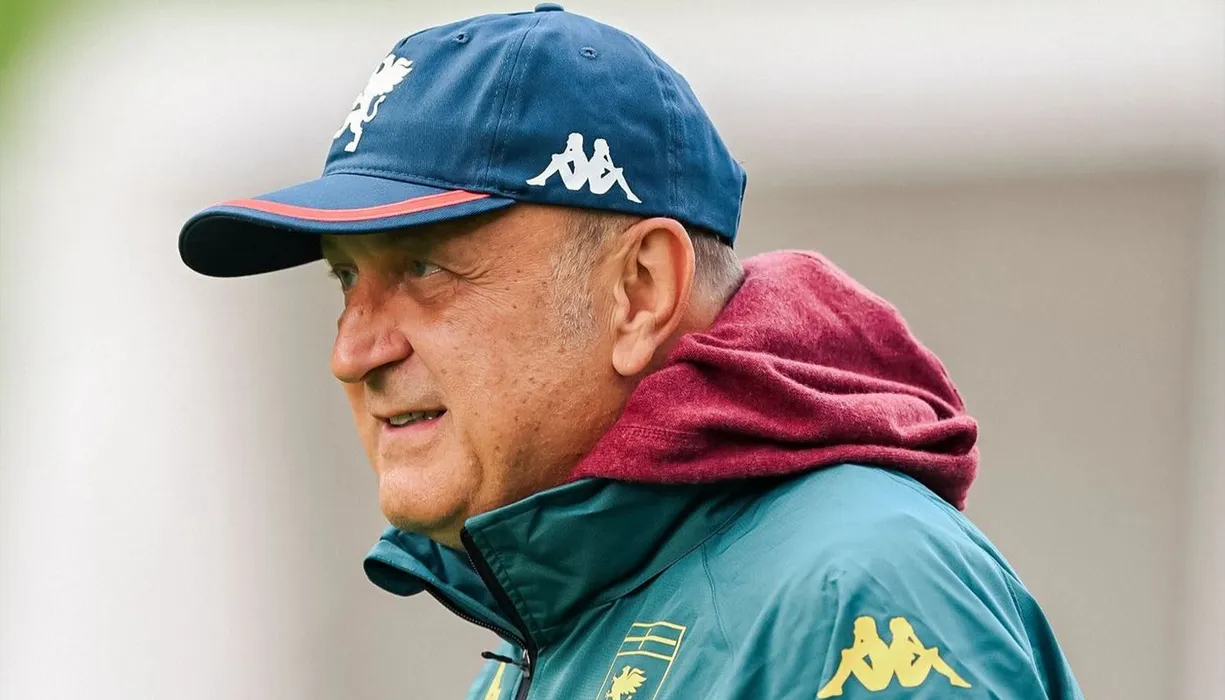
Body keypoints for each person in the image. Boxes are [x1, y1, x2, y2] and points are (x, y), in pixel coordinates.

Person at [178, 5, 1084, 699]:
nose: (352, 351)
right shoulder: (540, 633)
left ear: (640, 291)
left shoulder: (858, 589)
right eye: (345, 277)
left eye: (423, 266)